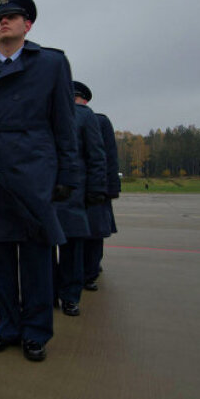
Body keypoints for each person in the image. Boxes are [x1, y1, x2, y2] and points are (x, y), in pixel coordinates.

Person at [0, 0, 80, 363]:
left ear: (28, 25)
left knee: (36, 259)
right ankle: (8, 326)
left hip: (33, 174)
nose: (3, 22)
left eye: (11, 17)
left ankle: (36, 331)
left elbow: (64, 123)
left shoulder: (51, 64)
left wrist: (67, 173)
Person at [54, 81, 106, 316]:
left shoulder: (85, 116)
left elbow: (96, 156)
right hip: (45, 193)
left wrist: (96, 189)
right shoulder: (44, 113)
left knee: (73, 249)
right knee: (44, 251)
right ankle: (48, 294)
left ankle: (70, 296)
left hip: (75, 194)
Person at [82, 93, 120, 290]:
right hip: (80, 187)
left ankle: (90, 270)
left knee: (94, 231)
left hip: (95, 186)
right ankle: (87, 269)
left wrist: (111, 188)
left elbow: (109, 157)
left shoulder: (99, 121)